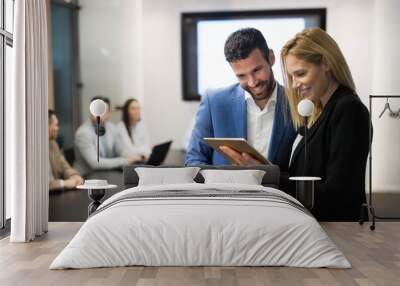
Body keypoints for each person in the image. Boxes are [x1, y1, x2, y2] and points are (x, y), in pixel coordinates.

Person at [280, 27, 370, 221]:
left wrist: (271, 179)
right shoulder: (322, 111)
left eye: (301, 73)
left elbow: (337, 191)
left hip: (338, 233)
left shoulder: (348, 110)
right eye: (291, 77)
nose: (295, 84)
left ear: (326, 63)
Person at [185, 28, 296, 171]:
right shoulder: (214, 103)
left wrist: (267, 174)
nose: (252, 82)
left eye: (257, 70)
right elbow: (194, 160)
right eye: (241, 76)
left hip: (278, 193)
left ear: (271, 57)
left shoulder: (297, 103)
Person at [73, 96, 138, 175]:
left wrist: (133, 156)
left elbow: (120, 150)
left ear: (109, 113)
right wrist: (125, 160)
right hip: (86, 177)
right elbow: (95, 163)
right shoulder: (83, 133)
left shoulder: (112, 128)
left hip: (107, 173)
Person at [48, 110, 83, 190]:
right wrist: (64, 183)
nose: (58, 128)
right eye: (56, 125)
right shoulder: (34, 151)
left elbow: (64, 167)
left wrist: (74, 175)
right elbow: (44, 184)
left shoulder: (53, 144)